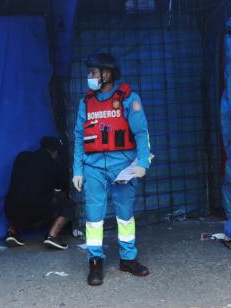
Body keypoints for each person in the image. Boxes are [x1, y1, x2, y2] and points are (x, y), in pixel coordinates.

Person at [72, 53, 152, 286]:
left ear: (107, 73)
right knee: (94, 218)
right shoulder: (86, 102)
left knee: (125, 214)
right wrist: (77, 169)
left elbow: (141, 133)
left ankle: (128, 258)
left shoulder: (128, 98)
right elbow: (79, 136)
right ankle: (95, 261)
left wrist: (142, 163)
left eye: (93, 72)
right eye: (90, 73)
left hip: (122, 166)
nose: (90, 77)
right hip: (93, 167)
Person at [4, 136, 72, 250]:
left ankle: (11, 233)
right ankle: (52, 236)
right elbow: (58, 194)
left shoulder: (21, 157)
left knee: (17, 197)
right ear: (54, 152)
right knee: (69, 204)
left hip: (11, 212)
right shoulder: (56, 166)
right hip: (36, 216)